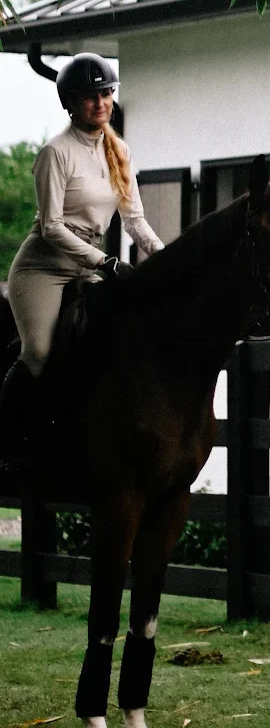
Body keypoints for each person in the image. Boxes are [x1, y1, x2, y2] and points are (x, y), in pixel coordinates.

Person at [4, 54, 165, 443]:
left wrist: (164, 256)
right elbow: (51, 227)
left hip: (87, 265)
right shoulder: (55, 153)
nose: (101, 103)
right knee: (39, 353)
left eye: (107, 93)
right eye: (91, 96)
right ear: (70, 103)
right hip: (41, 267)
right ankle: (8, 439)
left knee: (114, 341)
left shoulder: (119, 152)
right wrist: (106, 263)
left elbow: (134, 220)